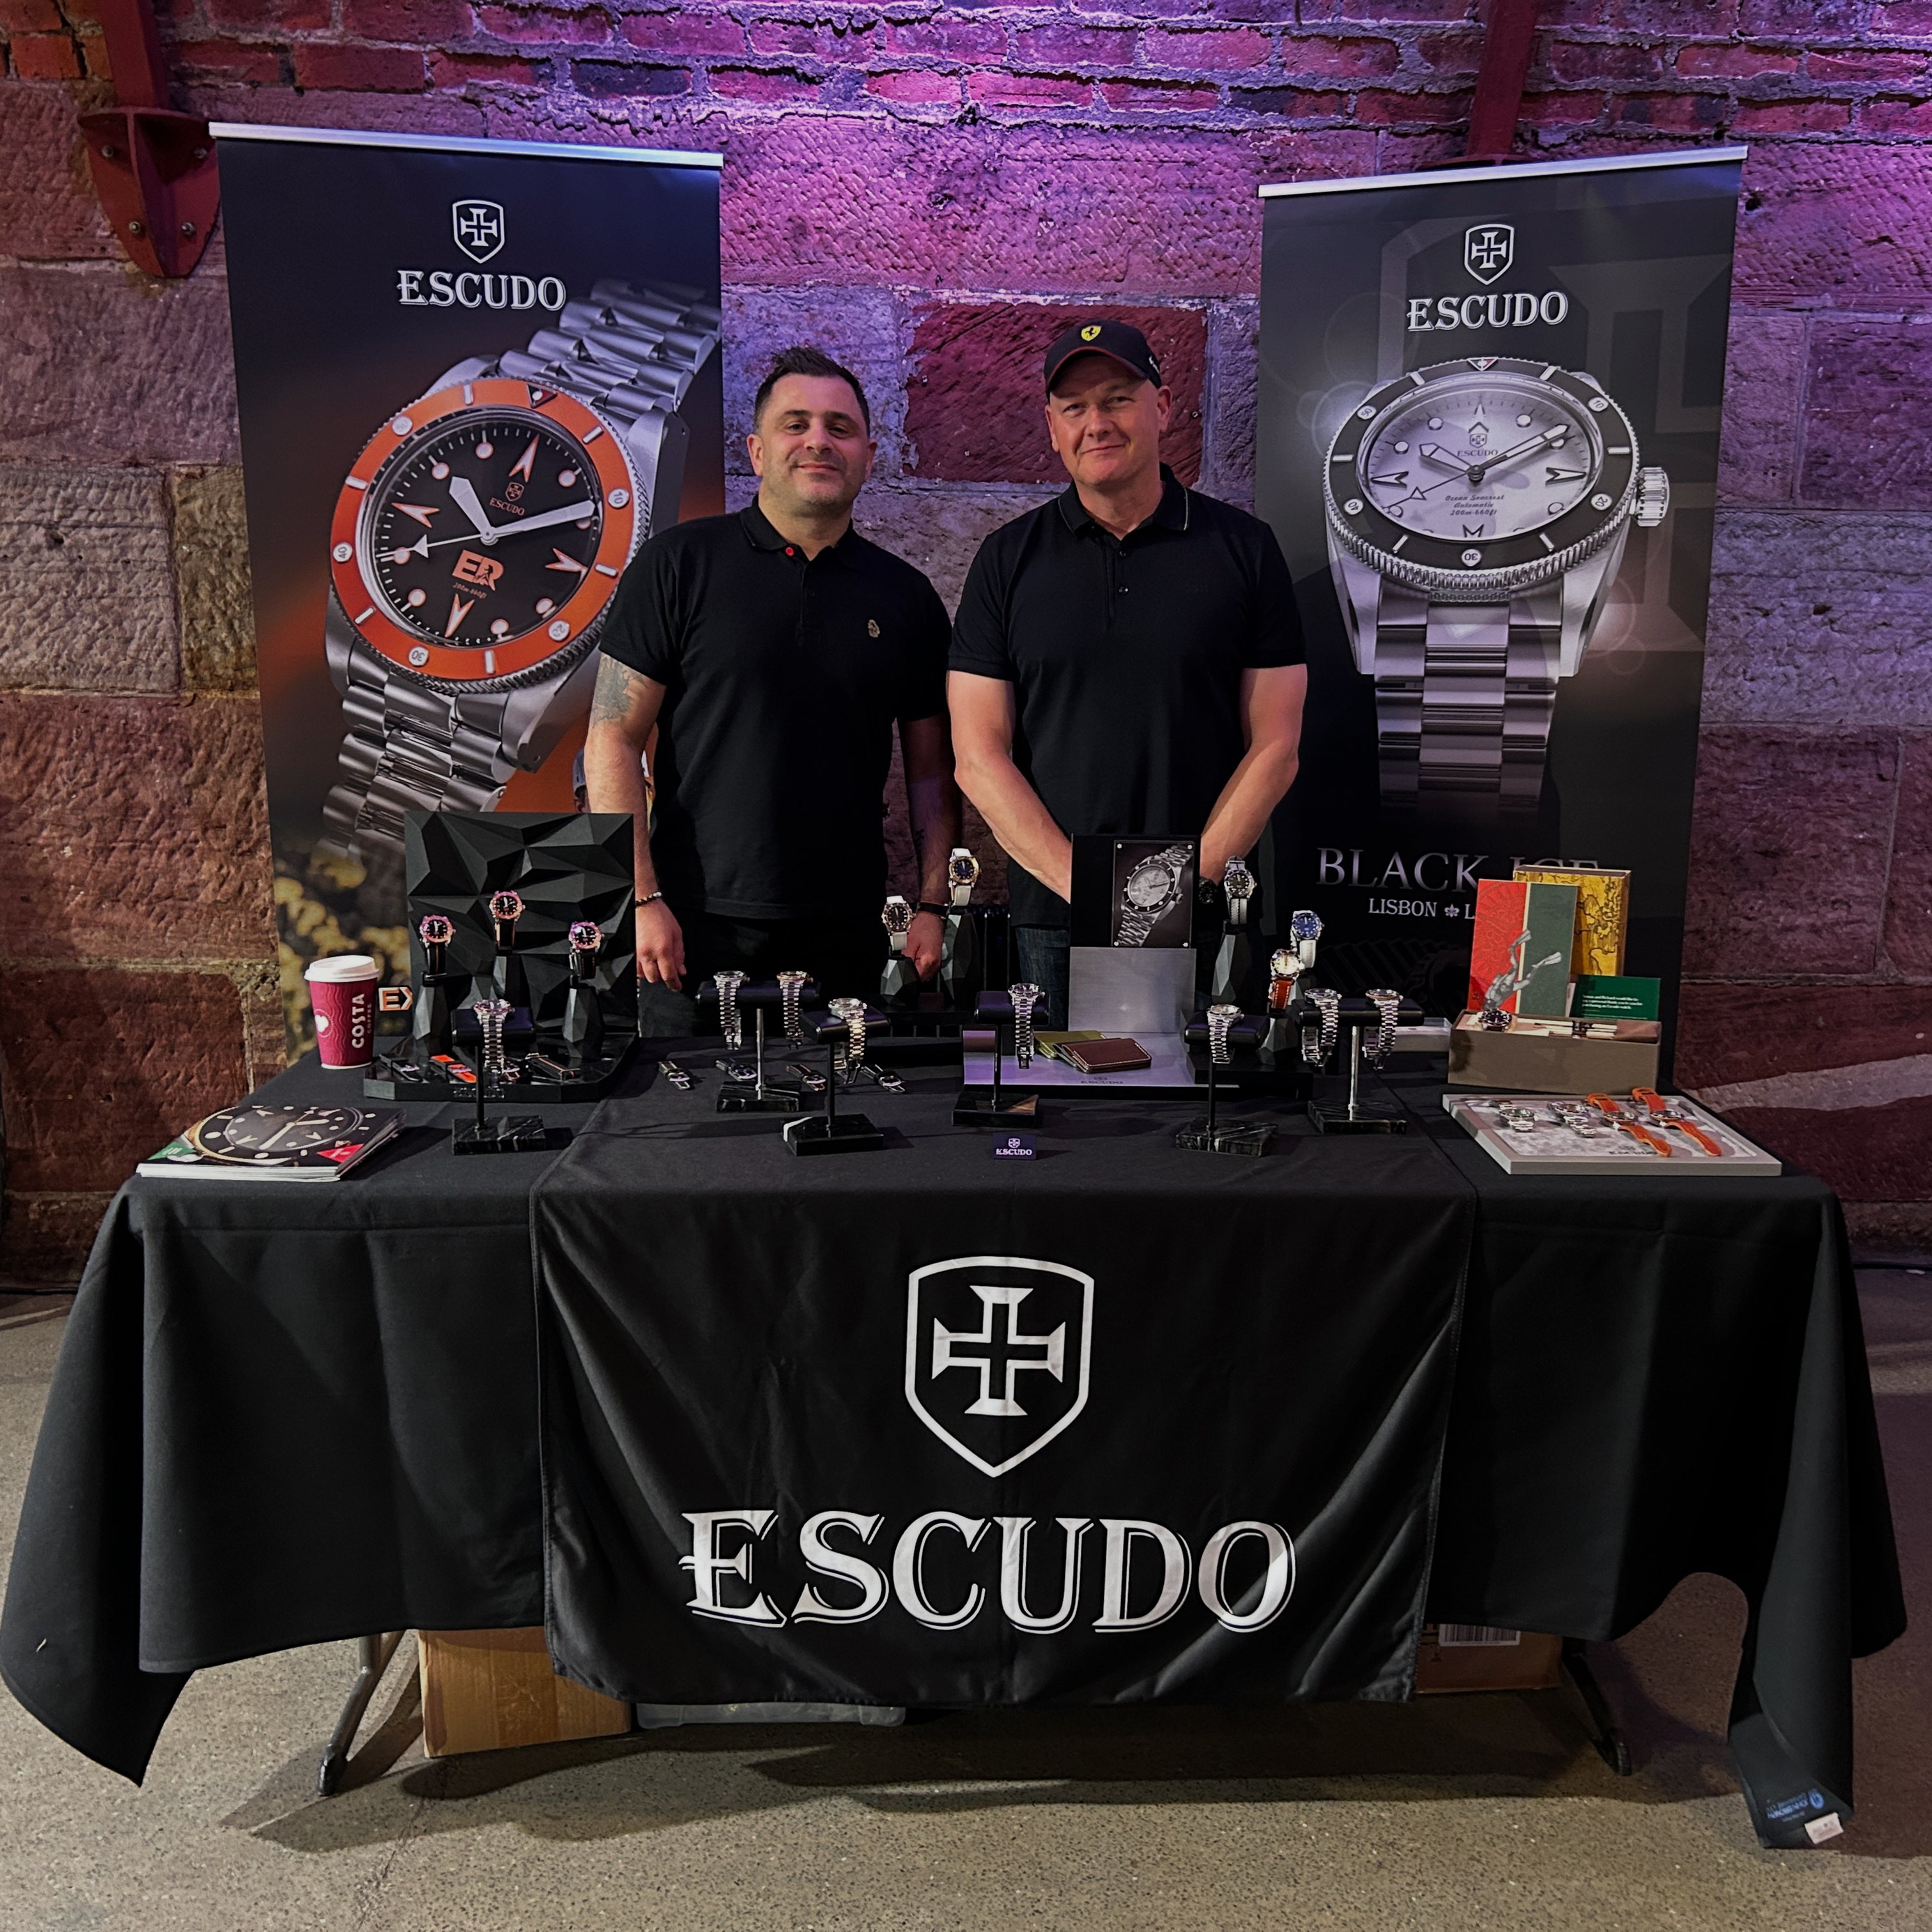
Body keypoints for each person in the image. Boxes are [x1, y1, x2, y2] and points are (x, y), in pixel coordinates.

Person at [584, 345, 960, 1033]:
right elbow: (613, 736)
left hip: (847, 934)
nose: (818, 440)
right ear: (757, 452)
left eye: (840, 428)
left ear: (868, 456)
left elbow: (933, 772)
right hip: (689, 930)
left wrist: (934, 905)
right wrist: (640, 900)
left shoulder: (906, 597)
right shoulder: (678, 565)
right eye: (796, 424)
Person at [947, 320, 1308, 1027]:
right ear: (1052, 427)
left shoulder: (1245, 550)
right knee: (1074, 1098)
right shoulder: (1005, 560)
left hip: (1208, 908)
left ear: (1162, 407)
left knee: (1207, 1091)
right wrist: (1091, 894)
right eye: (1075, 407)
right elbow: (977, 756)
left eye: (1117, 398)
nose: (1097, 423)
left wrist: (1178, 891)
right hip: (1057, 914)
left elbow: (1277, 745)